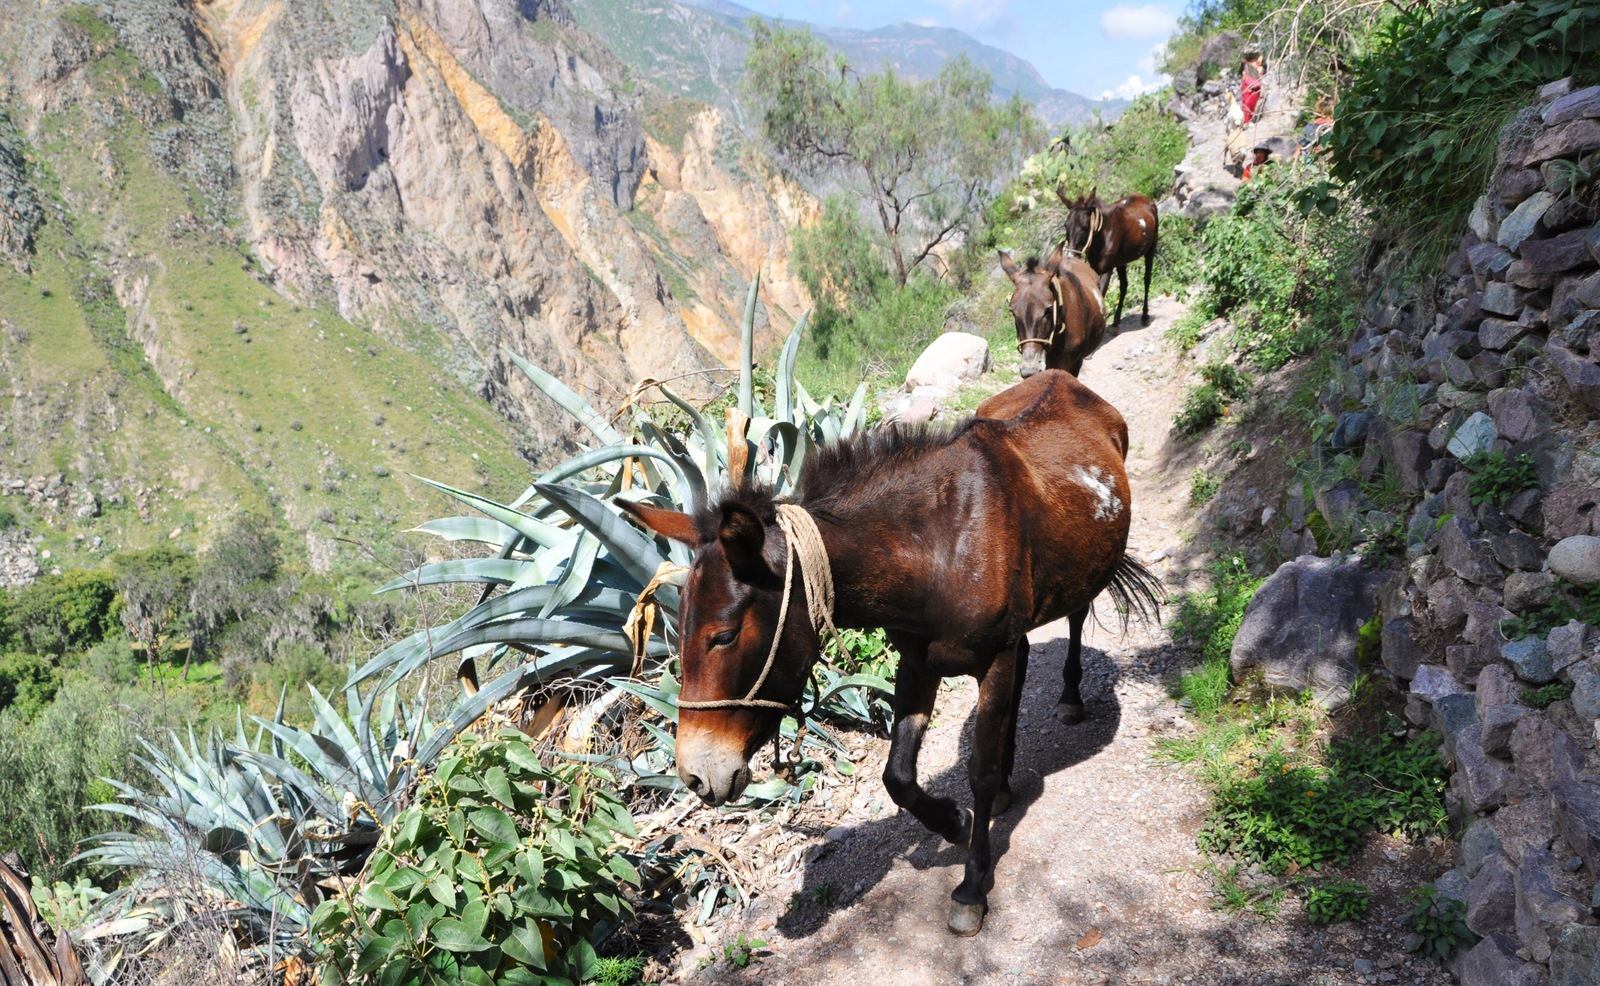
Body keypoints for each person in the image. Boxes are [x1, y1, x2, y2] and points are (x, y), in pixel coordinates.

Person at [1240, 51, 1265, 126]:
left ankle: (1249, 121)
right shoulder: (1247, 66)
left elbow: (1260, 74)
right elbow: (1245, 76)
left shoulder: (1259, 67)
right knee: (1247, 104)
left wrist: (1260, 71)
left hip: (1256, 87)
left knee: (1252, 104)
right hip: (1248, 86)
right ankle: (1246, 122)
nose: (1257, 63)